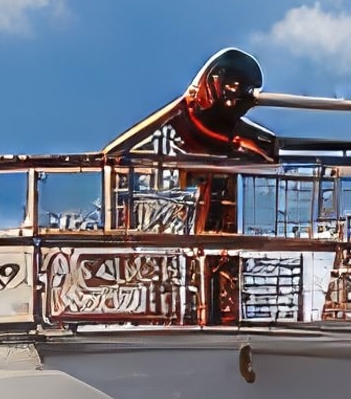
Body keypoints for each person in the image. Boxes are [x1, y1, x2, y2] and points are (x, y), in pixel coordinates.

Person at [116, 47, 277, 323]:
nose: (235, 95)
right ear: (213, 82)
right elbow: (120, 157)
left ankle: (218, 309)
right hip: (168, 247)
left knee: (219, 270)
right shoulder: (172, 125)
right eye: (231, 86)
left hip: (223, 230)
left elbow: (270, 151)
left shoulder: (241, 136)